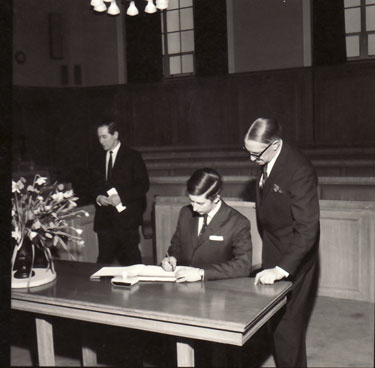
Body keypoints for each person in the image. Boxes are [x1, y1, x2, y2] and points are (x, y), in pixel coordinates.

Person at [243, 117, 320, 368]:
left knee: (288, 329)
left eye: (256, 154)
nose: (251, 160)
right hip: (274, 248)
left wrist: (281, 268)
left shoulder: (299, 170)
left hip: (294, 256)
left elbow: (308, 229)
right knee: (275, 323)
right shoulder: (268, 156)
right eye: (248, 152)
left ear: (274, 145)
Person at [161, 168, 252, 282]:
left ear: (216, 198)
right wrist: (170, 258)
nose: (194, 208)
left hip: (217, 288)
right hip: (182, 284)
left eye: (200, 203)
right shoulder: (186, 213)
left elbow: (243, 265)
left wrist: (202, 273)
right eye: (191, 201)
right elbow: (176, 246)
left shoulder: (238, 222)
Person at [90, 121, 149, 266]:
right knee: (103, 263)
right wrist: (98, 197)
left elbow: (143, 185)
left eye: (104, 137)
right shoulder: (96, 157)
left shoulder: (133, 156)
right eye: (99, 137)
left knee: (133, 262)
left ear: (115, 135)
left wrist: (121, 197)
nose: (101, 141)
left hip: (127, 221)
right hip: (104, 221)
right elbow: (92, 184)